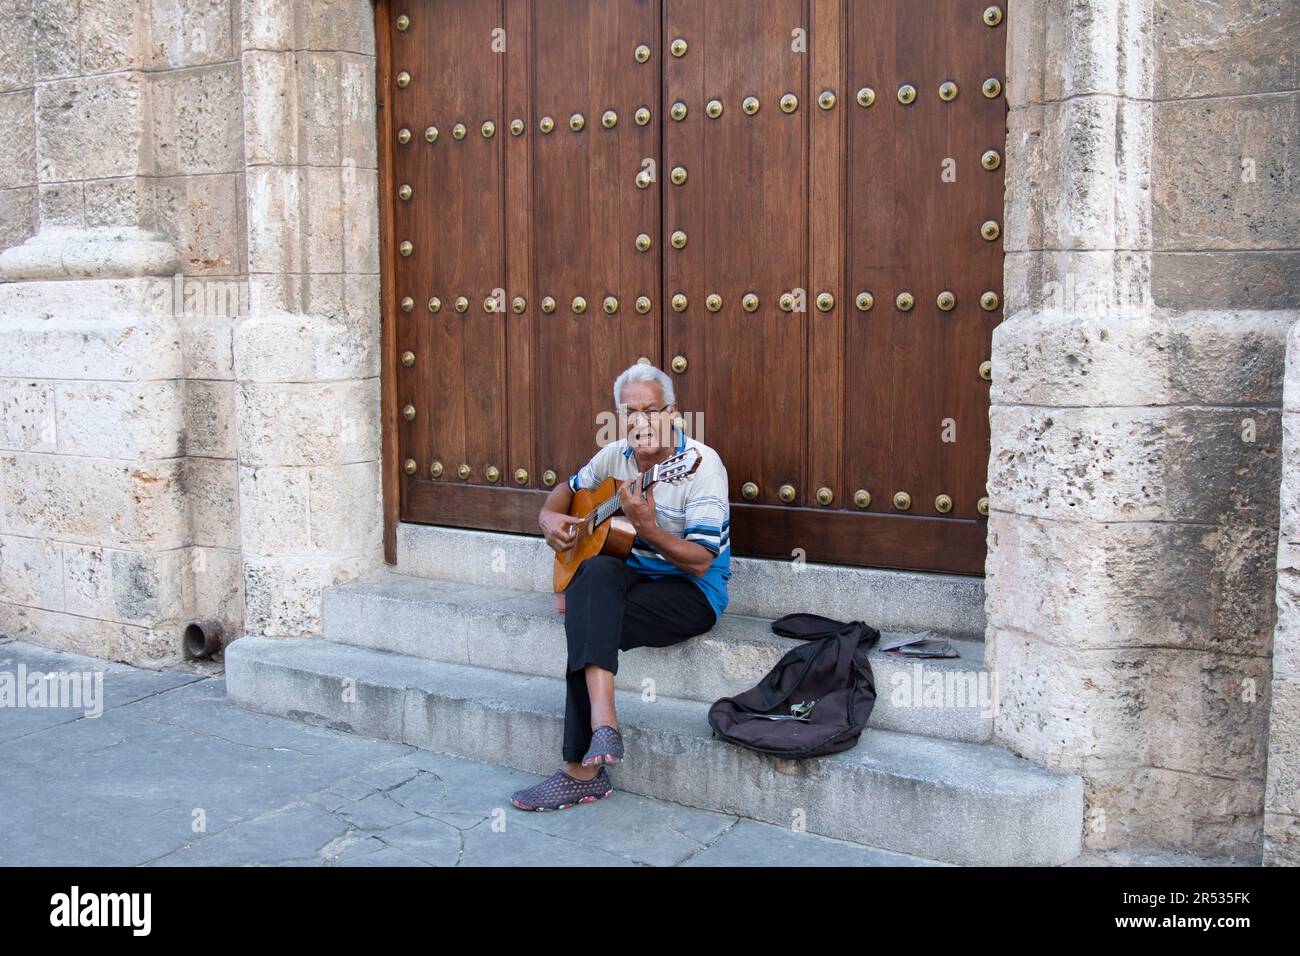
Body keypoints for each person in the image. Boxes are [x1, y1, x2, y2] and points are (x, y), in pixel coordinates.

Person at [509, 363, 731, 811]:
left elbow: (701, 562)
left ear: (673, 413)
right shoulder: (614, 457)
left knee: (587, 618)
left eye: (651, 410)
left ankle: (582, 767)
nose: (641, 421)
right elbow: (566, 492)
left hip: (691, 594)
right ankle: (601, 731)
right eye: (630, 412)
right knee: (593, 579)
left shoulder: (699, 466)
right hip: (630, 581)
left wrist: (649, 530)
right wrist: (548, 519)